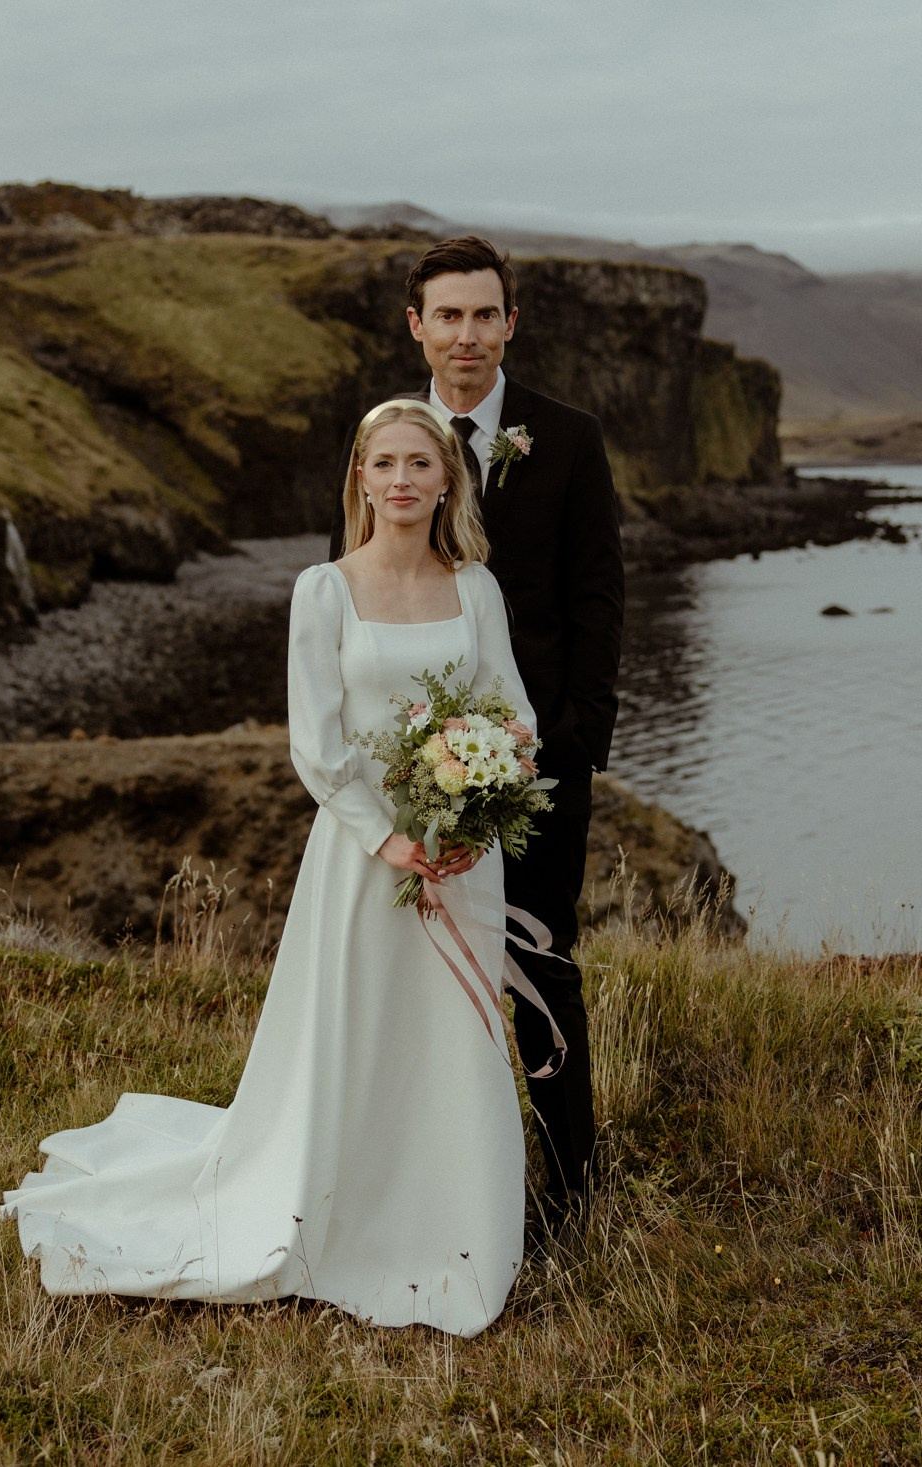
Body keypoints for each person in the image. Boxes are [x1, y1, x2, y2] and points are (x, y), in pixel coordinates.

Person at [0, 397, 536, 1337]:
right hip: (366, 855)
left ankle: (456, 1226)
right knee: (362, 1028)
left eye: (422, 463)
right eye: (386, 465)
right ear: (361, 480)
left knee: (454, 1033)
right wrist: (390, 837)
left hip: (463, 856)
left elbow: (512, 712)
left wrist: (477, 809)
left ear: (448, 478)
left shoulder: (477, 587)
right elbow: (316, 747)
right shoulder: (323, 591)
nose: (404, 480)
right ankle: (336, 1208)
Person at [330, 237, 625, 1230]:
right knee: (411, 982)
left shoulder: (569, 437)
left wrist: (573, 743)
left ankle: (567, 1184)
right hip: (408, 782)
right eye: (445, 315)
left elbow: (598, 598)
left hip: (533, 774)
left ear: (510, 323)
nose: (466, 334)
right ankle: (415, 1184)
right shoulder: (387, 438)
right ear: (415, 326)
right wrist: (387, 775)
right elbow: (346, 595)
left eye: (483, 314)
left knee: (539, 965)